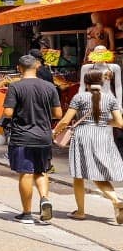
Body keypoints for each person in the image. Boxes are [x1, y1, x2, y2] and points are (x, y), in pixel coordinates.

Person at [53, 68, 123, 225]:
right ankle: (116, 200)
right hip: (103, 136)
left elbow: (65, 120)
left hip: (83, 136)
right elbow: (119, 123)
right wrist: (104, 122)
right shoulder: (110, 99)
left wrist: (55, 131)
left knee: (79, 175)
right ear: (102, 82)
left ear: (86, 82)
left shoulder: (79, 97)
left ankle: (80, 211)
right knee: (99, 174)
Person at [2, 54, 63, 225]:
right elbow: (58, 114)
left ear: (19, 68)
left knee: (26, 173)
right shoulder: (50, 86)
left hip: (22, 136)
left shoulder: (15, 87)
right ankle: (44, 198)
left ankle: (27, 213)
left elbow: (8, 112)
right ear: (37, 67)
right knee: (41, 171)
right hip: (44, 136)